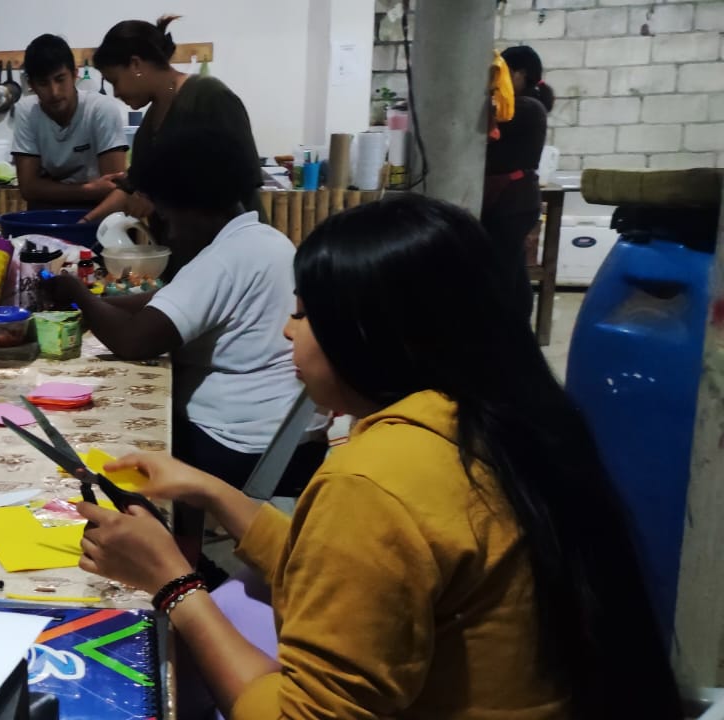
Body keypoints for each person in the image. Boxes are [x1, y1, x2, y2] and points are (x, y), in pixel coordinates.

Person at [75, 195, 681, 719]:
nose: (288, 332)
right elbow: (355, 576)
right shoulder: (499, 420)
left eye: (303, 314)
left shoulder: (374, 481)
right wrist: (209, 489)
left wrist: (174, 586)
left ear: (371, 334)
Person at [46, 125, 326, 498]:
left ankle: (173, 531)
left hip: (242, 446)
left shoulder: (226, 258)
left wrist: (77, 292)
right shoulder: (263, 240)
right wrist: (93, 303)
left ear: (197, 208)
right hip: (285, 439)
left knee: (110, 442)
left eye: (169, 217)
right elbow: (165, 300)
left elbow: (133, 341)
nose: (171, 233)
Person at [81, 16, 265, 277]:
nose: (116, 93)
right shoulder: (149, 124)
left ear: (136, 64)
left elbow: (242, 178)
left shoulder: (208, 96)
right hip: (183, 261)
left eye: (115, 81)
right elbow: (135, 186)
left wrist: (159, 199)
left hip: (230, 259)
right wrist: (85, 223)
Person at [12, 33, 130, 208]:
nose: (54, 92)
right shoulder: (26, 111)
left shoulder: (101, 109)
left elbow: (114, 187)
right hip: (46, 212)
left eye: (60, 79)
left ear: (75, 74)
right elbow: (28, 188)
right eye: (43, 83)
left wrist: (48, 188)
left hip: (98, 208)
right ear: (31, 84)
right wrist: (90, 189)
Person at [486, 45, 554, 318]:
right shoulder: (520, 106)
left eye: (501, 74)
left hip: (513, 202)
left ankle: (505, 329)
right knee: (512, 271)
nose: (495, 82)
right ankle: (517, 328)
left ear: (519, 74)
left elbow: (476, 120)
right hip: (512, 201)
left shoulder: (524, 107)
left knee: (502, 273)